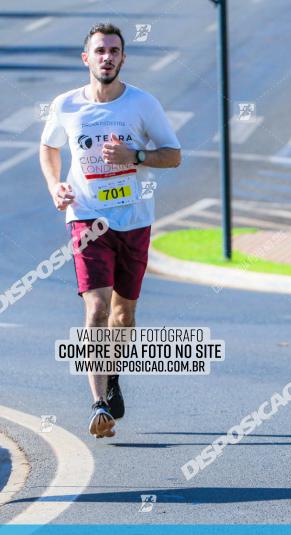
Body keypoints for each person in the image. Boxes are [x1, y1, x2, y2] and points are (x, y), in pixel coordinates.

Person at [39, 23, 181, 438]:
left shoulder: (142, 104)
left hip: (134, 220)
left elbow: (173, 156)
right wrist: (55, 186)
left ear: (123, 58)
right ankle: (99, 403)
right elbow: (49, 146)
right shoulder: (66, 105)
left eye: (114, 51)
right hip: (86, 218)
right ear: (87, 58)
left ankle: (112, 374)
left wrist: (133, 154)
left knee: (124, 315)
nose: (107, 57)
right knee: (97, 308)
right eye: (99, 50)